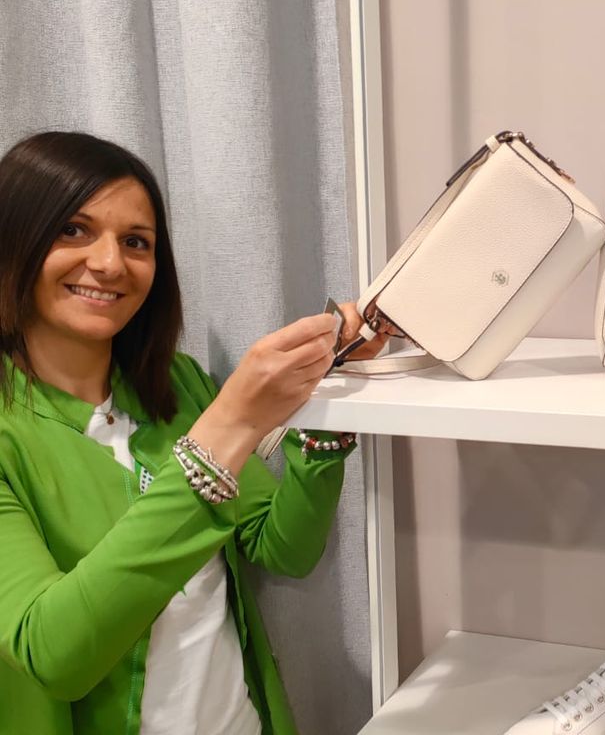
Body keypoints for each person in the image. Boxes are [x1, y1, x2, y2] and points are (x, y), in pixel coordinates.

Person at [0, 131, 384, 735]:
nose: (109, 263)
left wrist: (321, 406)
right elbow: (53, 654)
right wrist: (229, 425)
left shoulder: (176, 383)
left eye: (137, 241)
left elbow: (280, 546)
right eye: (73, 229)